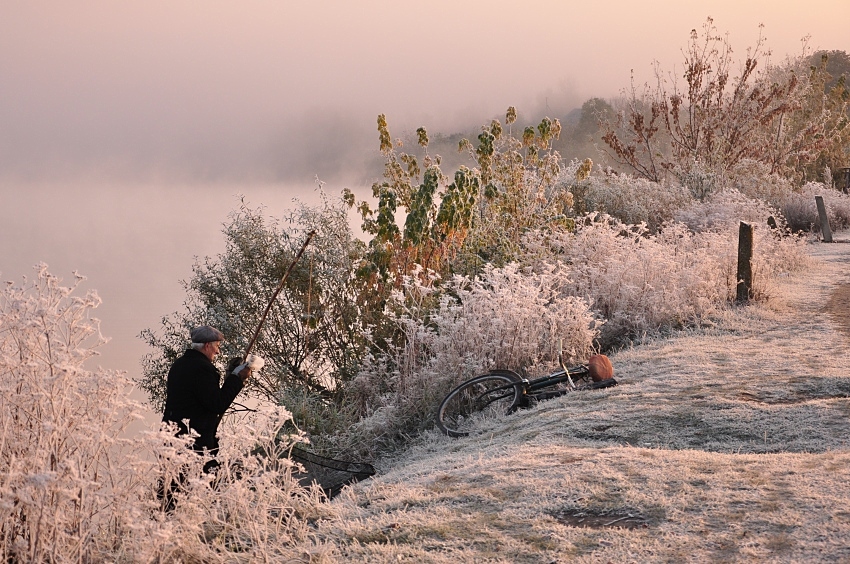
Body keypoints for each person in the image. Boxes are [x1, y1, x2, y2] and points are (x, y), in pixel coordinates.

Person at [162, 325, 251, 472]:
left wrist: (230, 375)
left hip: (172, 438)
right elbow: (217, 404)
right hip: (193, 443)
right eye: (217, 346)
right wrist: (237, 379)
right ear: (207, 345)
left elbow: (201, 398)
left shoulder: (179, 365)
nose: (218, 351)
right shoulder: (202, 368)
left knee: (171, 486)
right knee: (199, 486)